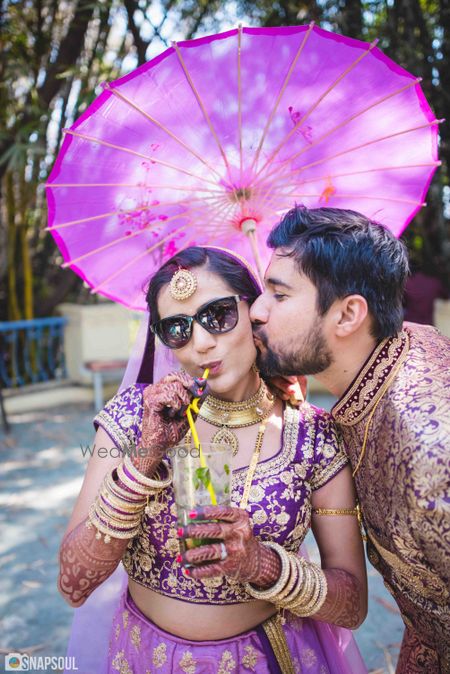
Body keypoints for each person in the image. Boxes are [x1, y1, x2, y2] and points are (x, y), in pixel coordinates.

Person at [58, 246, 368, 674]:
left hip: (271, 658)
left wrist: (262, 563)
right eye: (178, 329)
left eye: (218, 315)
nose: (202, 343)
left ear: (254, 310)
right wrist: (145, 458)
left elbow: (352, 606)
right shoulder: (137, 417)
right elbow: (74, 584)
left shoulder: (313, 436)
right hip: (143, 658)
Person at [250, 206, 450, 674]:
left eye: (278, 295)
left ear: (348, 315)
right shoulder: (412, 343)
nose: (257, 310)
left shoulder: (428, 456)